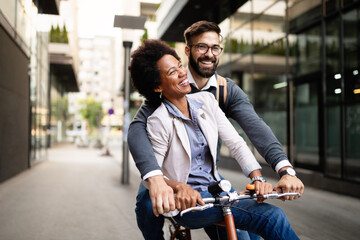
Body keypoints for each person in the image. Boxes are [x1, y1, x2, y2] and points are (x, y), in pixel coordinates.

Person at [129, 21, 304, 240]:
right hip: (177, 188)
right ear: (188, 50)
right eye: (202, 47)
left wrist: (268, 175)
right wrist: (165, 183)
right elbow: (136, 131)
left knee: (252, 234)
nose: (209, 54)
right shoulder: (158, 112)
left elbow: (243, 138)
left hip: (213, 184)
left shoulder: (214, 96)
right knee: (148, 201)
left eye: (215, 48)